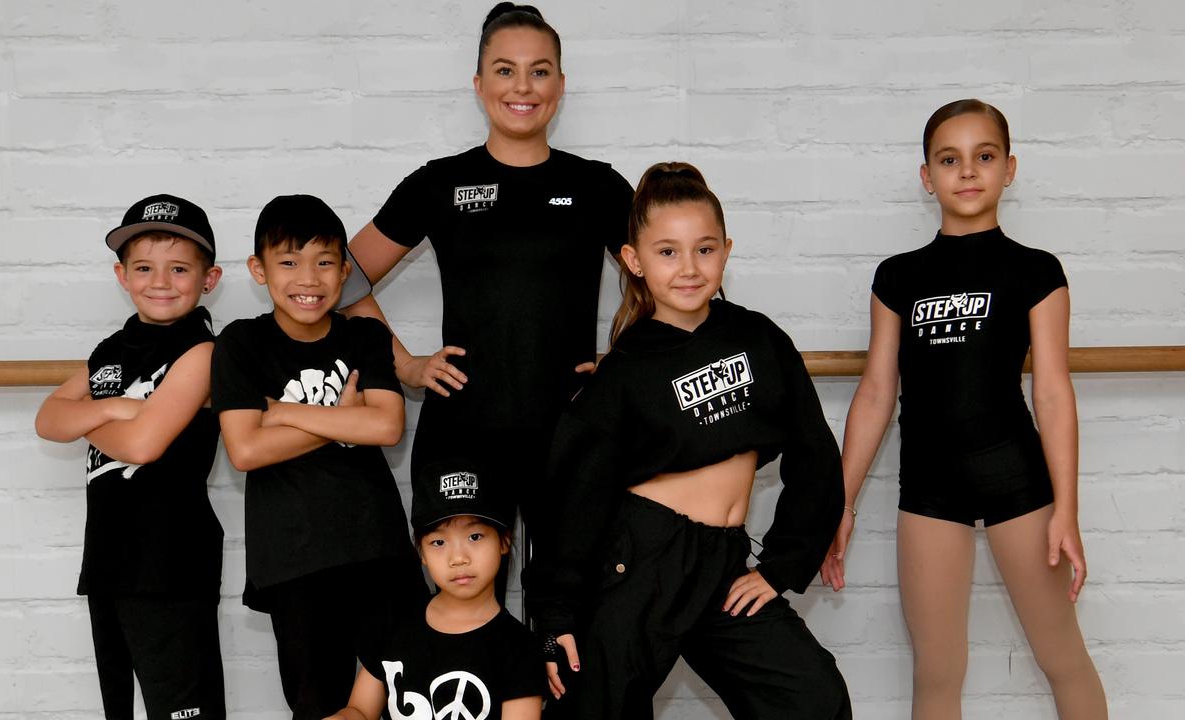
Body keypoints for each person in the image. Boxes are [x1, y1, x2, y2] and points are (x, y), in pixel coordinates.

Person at [528, 163, 851, 719]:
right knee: (594, 708)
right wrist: (556, 618)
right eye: (668, 252)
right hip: (639, 562)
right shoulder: (624, 372)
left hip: (723, 564)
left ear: (726, 251)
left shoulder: (758, 337)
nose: (688, 268)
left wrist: (779, 567)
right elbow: (573, 499)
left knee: (812, 698)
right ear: (634, 260)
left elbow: (814, 453)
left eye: (703, 249)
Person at [818, 99, 1108, 719]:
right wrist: (839, 504)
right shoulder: (898, 276)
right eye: (950, 159)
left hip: (1019, 485)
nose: (968, 171)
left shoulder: (1036, 271)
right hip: (929, 490)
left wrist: (1068, 511)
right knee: (938, 673)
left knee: (1062, 657)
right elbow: (875, 392)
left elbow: (1053, 392)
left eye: (985, 156)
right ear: (927, 176)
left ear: (1010, 169)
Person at [340, 2, 634, 534]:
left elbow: (672, 283)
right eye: (505, 70)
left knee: (570, 611)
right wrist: (404, 364)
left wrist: (629, 361)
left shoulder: (598, 187)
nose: (522, 87)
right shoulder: (438, 184)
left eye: (538, 71)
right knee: (464, 609)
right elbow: (337, 277)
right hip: (463, 429)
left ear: (560, 84)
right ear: (479, 83)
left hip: (572, 429)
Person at [211, 194, 426, 719]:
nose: (308, 278)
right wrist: (339, 417)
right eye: (288, 262)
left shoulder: (365, 335)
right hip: (294, 560)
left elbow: (386, 424)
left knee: (413, 695)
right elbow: (245, 449)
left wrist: (285, 412)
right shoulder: (241, 343)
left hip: (378, 550)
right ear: (258, 270)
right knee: (318, 705)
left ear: (345, 269)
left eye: (325, 262)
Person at [34, 194, 226, 720]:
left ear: (209, 279)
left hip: (169, 562)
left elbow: (145, 445)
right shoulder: (110, 351)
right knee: (118, 708)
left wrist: (93, 422)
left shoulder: (203, 351)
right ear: (122, 275)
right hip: (109, 561)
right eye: (144, 267)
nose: (160, 281)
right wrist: (120, 407)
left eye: (179, 269)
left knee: (183, 708)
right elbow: (48, 419)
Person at [326, 456, 544, 720]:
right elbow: (359, 709)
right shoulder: (392, 622)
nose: (458, 558)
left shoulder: (520, 649)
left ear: (504, 541)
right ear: (422, 554)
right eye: (439, 542)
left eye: (475, 537)